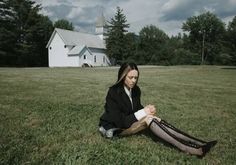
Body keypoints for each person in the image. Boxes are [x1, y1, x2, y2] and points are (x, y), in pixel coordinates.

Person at [98, 62, 217, 157]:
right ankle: (192, 149)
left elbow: (136, 108)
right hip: (115, 128)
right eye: (130, 77)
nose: (134, 80)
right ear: (123, 76)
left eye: (136, 77)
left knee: (154, 118)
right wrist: (143, 113)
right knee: (149, 119)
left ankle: (200, 143)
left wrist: (146, 109)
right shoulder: (113, 92)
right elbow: (120, 121)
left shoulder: (136, 90)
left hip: (128, 122)